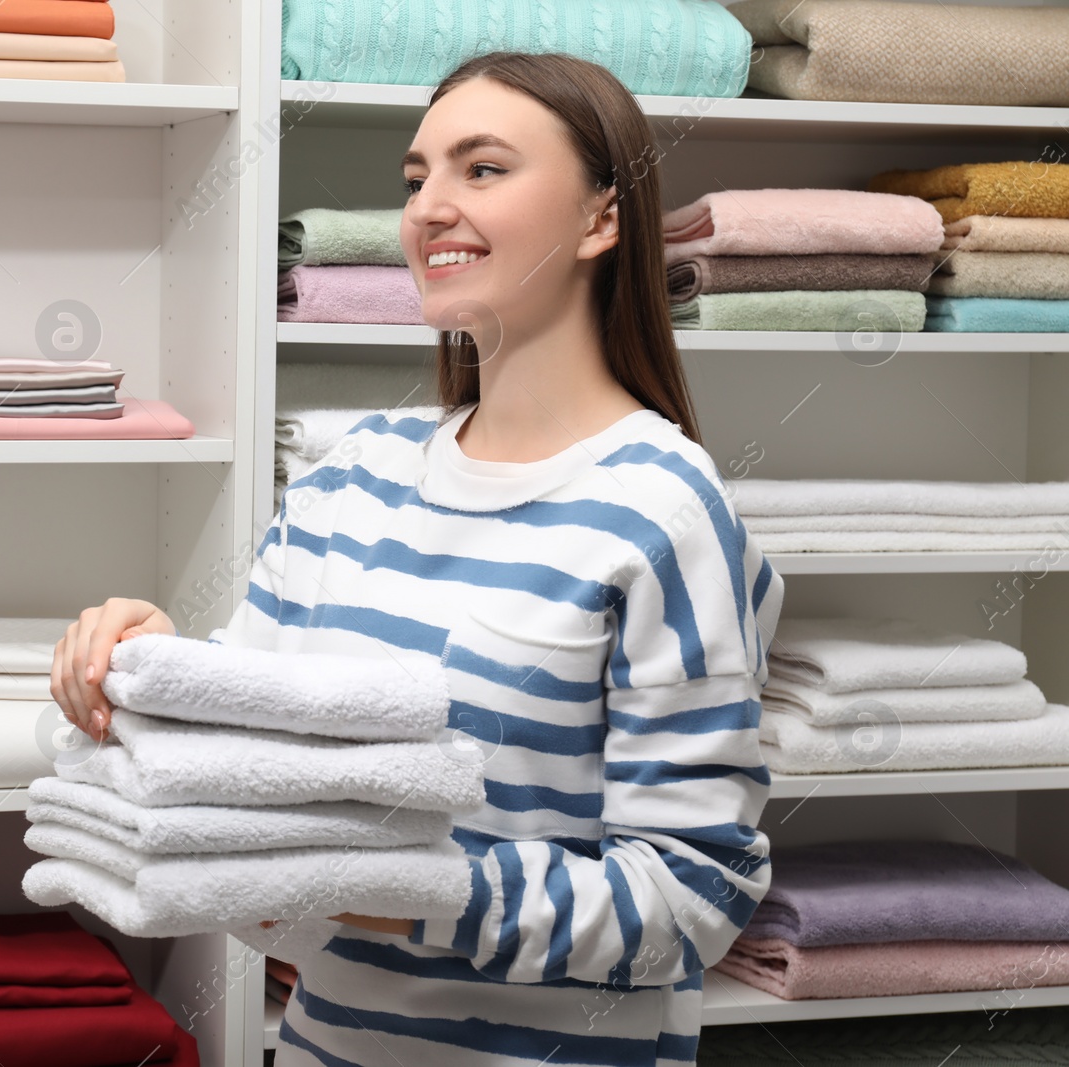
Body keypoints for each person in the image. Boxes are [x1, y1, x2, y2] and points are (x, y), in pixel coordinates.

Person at [50, 50, 782, 1067]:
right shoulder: (349, 478)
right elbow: (245, 770)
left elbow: (692, 897)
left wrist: (409, 889)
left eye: (481, 170)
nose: (429, 206)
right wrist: (148, 665)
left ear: (600, 219)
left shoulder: (660, 508)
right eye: (414, 177)